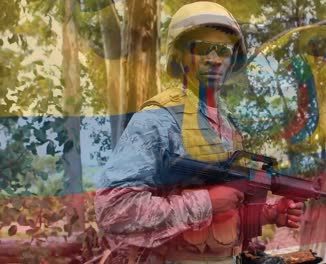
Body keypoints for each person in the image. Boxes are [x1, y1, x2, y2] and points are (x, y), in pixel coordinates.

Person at [95, 2, 303, 263]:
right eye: (203, 48)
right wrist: (205, 202)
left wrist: (270, 214)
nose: (215, 59)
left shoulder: (227, 124)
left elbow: (222, 210)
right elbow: (113, 211)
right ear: (179, 55)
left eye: (224, 51)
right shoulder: (158, 120)